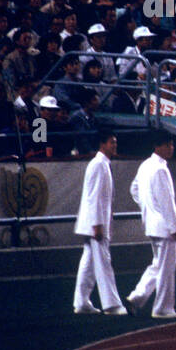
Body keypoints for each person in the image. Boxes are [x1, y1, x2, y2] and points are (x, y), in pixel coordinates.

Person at [127, 131, 176, 319]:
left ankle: (137, 296)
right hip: (164, 226)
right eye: (168, 145)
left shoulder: (145, 165)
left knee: (158, 265)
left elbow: (134, 189)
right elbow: (166, 202)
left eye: (171, 144)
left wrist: (146, 206)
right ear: (157, 147)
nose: (171, 148)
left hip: (151, 223)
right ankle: (163, 308)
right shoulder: (160, 169)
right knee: (166, 268)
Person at [73, 131, 125, 315]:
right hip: (95, 224)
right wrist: (97, 225)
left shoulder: (102, 164)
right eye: (112, 142)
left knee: (88, 263)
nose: (115, 145)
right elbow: (93, 197)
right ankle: (111, 304)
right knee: (104, 263)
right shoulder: (98, 165)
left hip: (96, 223)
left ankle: (81, 302)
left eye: (115, 142)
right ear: (102, 144)